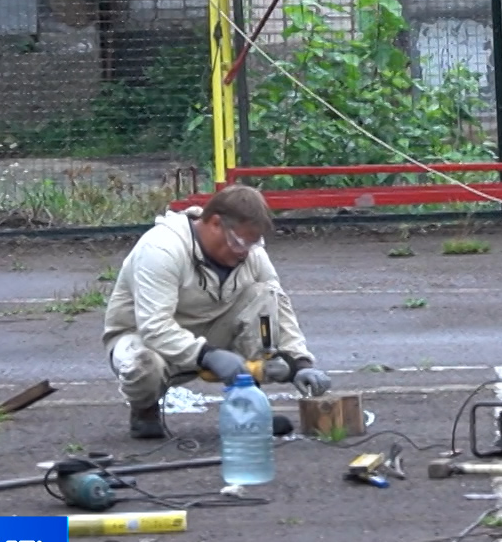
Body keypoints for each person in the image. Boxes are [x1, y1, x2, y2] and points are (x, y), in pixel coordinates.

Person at [101, 184, 331, 439]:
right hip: (145, 338)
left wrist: (300, 363)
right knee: (142, 365)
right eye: (239, 242)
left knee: (264, 292)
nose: (244, 252)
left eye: (252, 244)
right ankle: (144, 411)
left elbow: (278, 305)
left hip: (212, 331)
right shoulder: (161, 249)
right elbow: (154, 327)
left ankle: (248, 403)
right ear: (214, 223)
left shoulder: (250, 253)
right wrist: (208, 356)